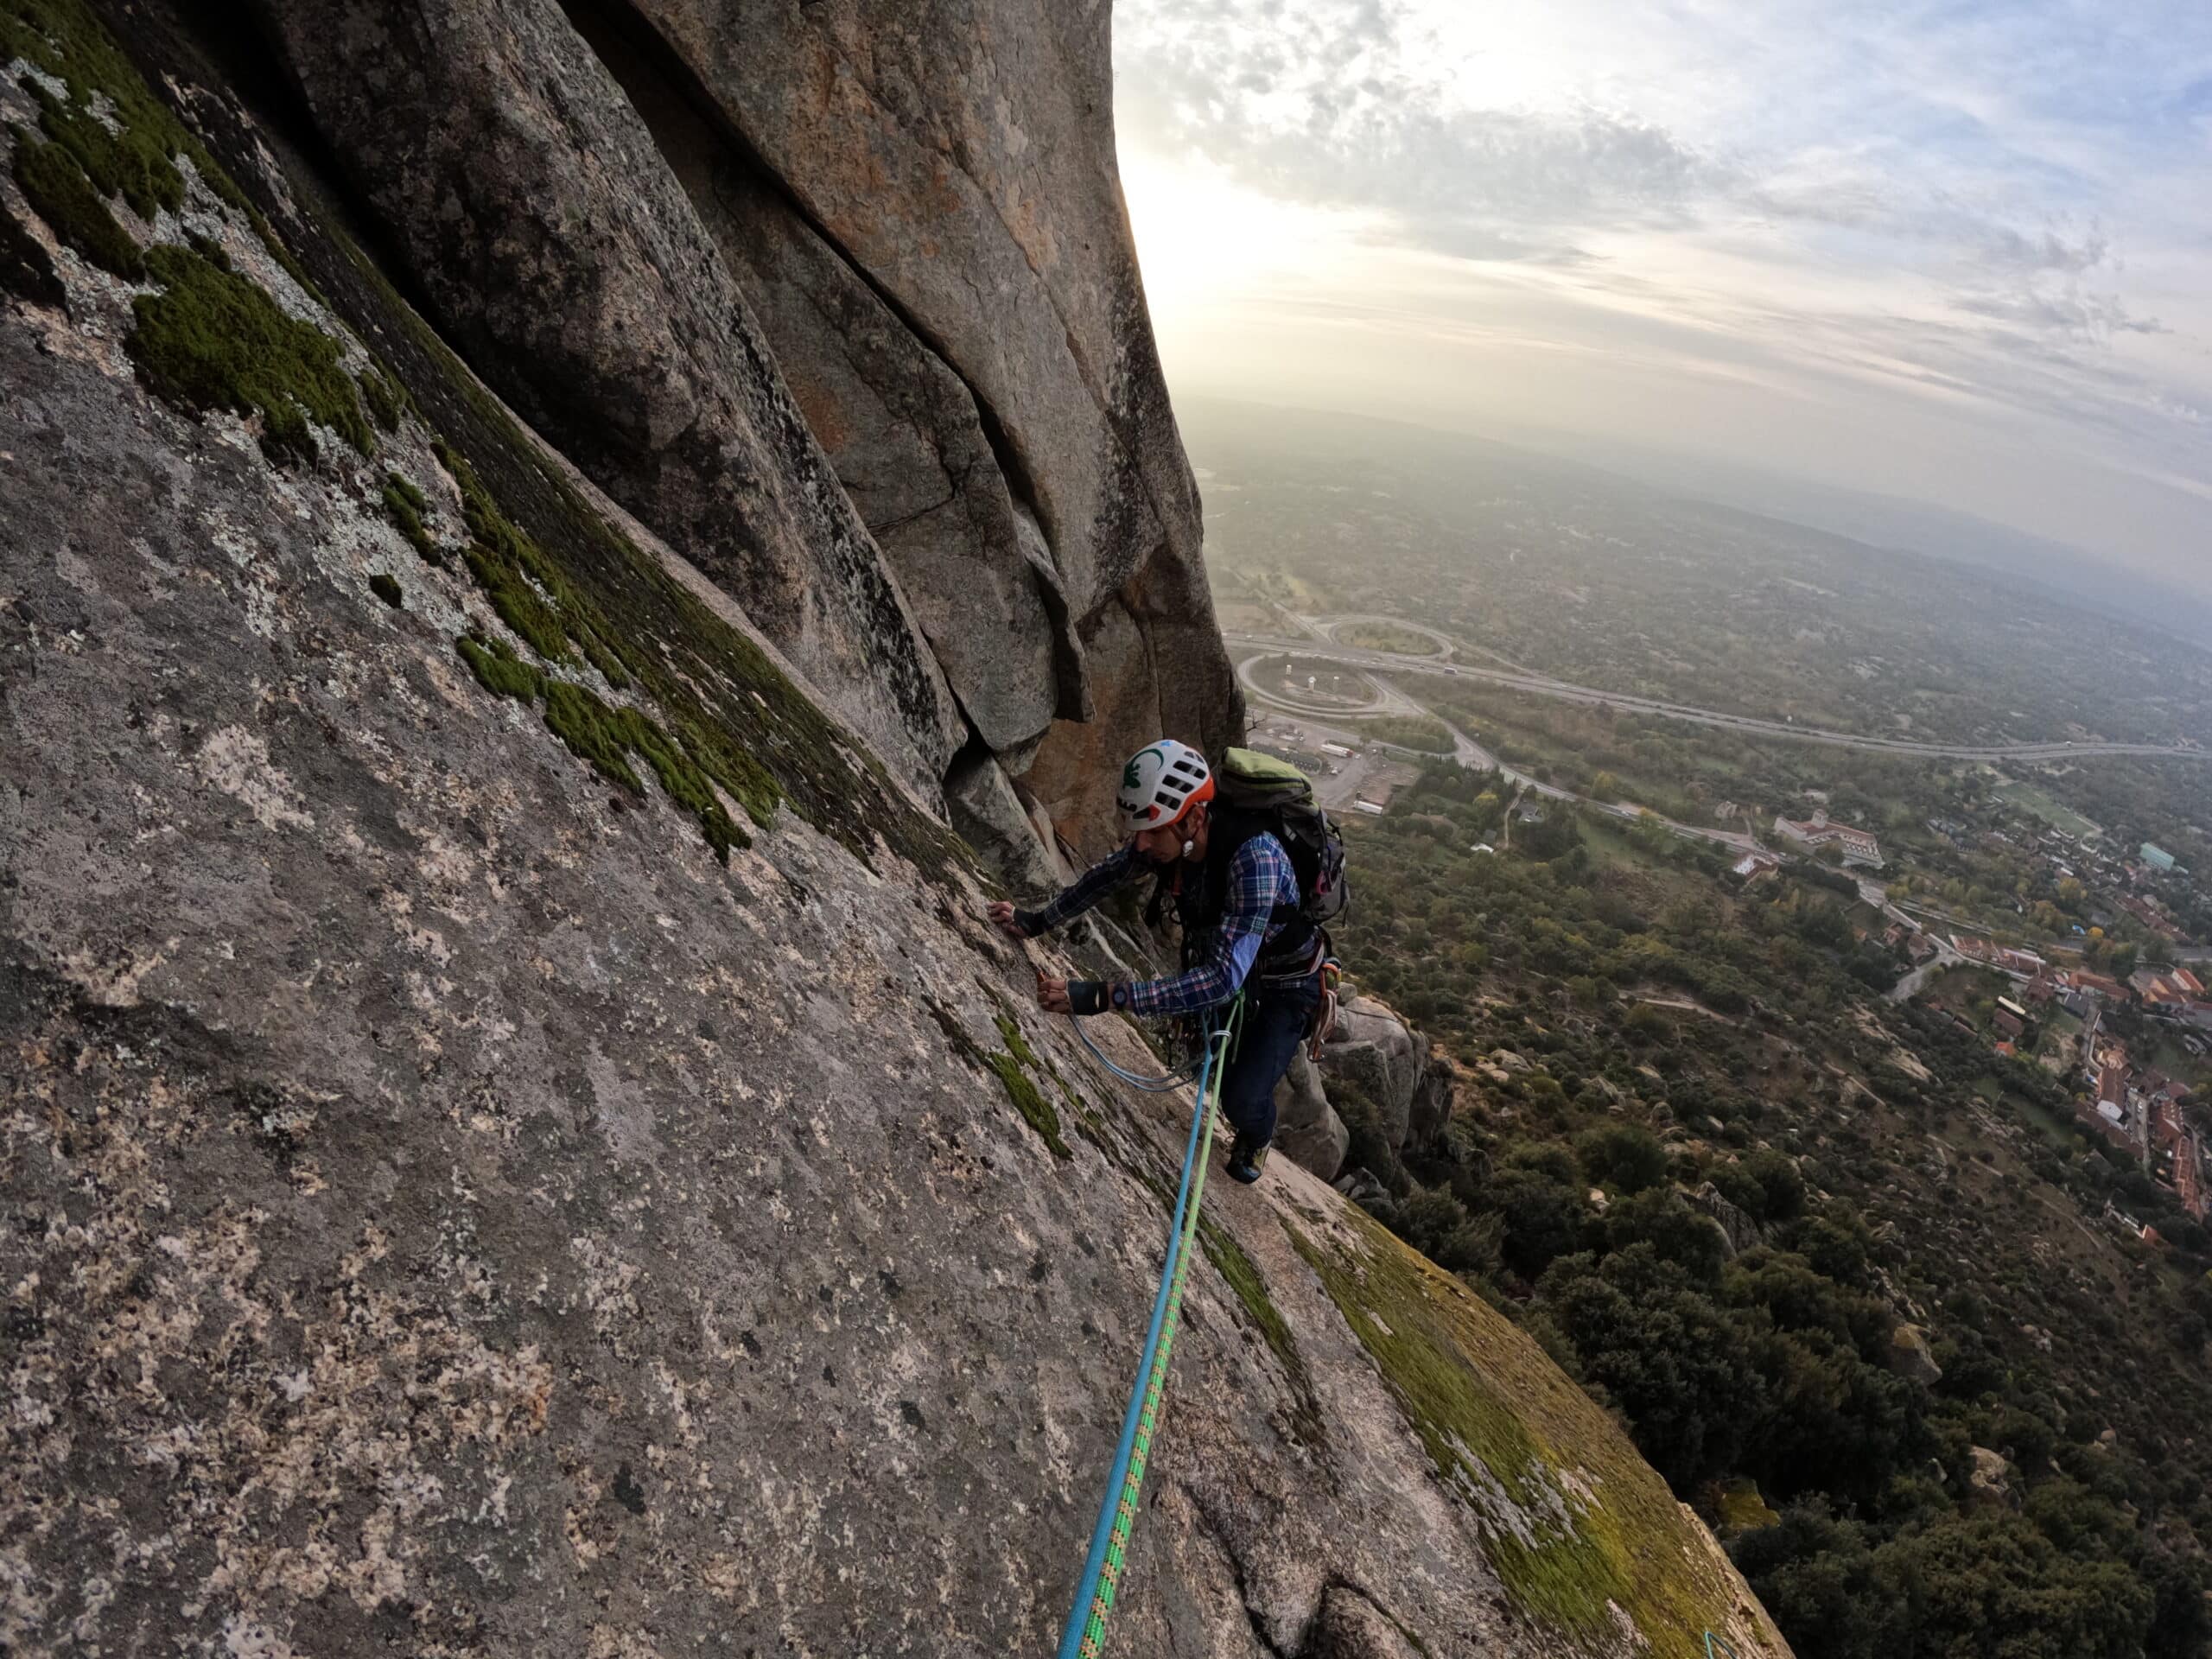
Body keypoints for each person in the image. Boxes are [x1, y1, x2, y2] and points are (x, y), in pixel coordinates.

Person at [988, 740, 1325, 1184]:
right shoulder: (1169, 839)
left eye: (1152, 832)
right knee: (1211, 1058)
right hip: (1234, 962)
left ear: (1195, 819)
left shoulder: (1254, 858)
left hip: (1286, 981)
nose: (1141, 844)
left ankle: (1258, 1135)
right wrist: (1035, 922)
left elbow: (1223, 979)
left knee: (1241, 1097)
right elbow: (1101, 880)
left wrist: (1103, 997)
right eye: (1137, 832)